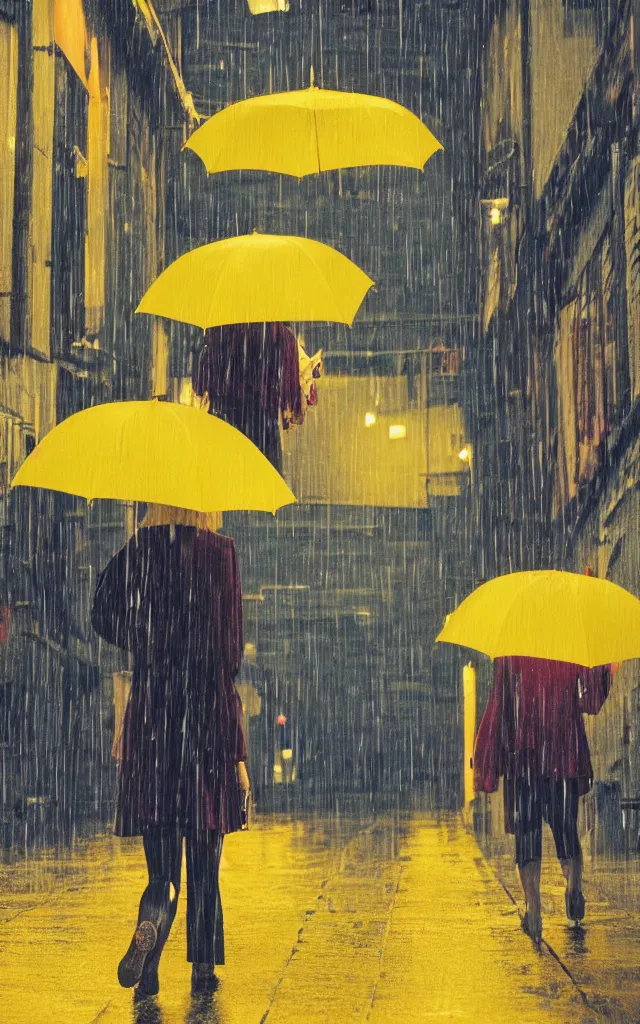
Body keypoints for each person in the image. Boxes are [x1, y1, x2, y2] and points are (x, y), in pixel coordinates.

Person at [91, 504, 250, 997]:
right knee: (205, 851)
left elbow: (100, 613)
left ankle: (153, 939)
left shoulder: (141, 550)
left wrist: (145, 641)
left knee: (161, 861)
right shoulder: (221, 553)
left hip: (155, 713)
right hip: (205, 717)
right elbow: (233, 648)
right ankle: (202, 965)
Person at [473, 655, 616, 945]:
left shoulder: (512, 649)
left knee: (527, 831)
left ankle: (534, 907)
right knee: (566, 827)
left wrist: (492, 748)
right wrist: (604, 669)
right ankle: (574, 889)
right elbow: (591, 701)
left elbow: (500, 703)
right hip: (564, 752)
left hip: (524, 754)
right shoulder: (568, 645)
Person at [192, 322, 303, 473]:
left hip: (229, 414)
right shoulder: (275, 331)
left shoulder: (220, 330)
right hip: (261, 416)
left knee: (231, 472)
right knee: (264, 473)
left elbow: (204, 376)